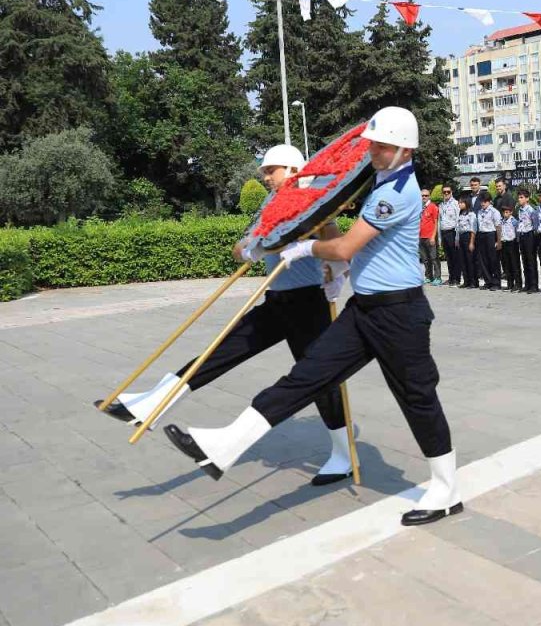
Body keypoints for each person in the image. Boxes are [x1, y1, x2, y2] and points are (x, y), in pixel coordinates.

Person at [164, 107, 462, 527]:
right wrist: (334, 265)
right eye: (372, 144)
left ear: (405, 150)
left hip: (399, 312)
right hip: (365, 309)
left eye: (381, 146)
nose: (372, 151)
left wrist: (304, 249)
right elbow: (348, 235)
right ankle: (226, 444)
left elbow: (346, 247)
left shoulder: (396, 193)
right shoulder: (381, 179)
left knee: (416, 397)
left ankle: (446, 489)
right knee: (307, 375)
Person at [99, 144, 353, 488]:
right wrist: (252, 248)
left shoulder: (317, 202)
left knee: (320, 380)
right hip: (276, 301)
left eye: (271, 170)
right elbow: (240, 248)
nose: (265, 177)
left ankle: (343, 455)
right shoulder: (270, 203)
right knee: (218, 351)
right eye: (265, 172)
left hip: (309, 304)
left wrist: (329, 263)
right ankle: (151, 405)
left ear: (294, 169)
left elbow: (337, 248)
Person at [475, 193, 502, 290]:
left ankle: (496, 282)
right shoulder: (479, 212)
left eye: (485, 201)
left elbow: (498, 227)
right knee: (483, 260)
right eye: (481, 201)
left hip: (491, 235)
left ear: (489, 201)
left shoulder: (494, 212)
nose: (483, 203)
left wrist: (499, 241)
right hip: (481, 235)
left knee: (493, 259)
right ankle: (488, 281)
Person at [438, 183, 461, 286]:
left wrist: (457, 237)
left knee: (455, 257)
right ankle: (451, 277)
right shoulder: (441, 205)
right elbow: (439, 222)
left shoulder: (455, 203)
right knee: (448, 257)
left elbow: (458, 220)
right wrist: (439, 237)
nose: (446, 193)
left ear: (451, 192)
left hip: (452, 232)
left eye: (448, 192)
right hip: (444, 232)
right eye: (444, 192)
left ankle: (456, 279)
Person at [419, 188, 441, 286]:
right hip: (421, 236)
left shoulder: (433, 207)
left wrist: (433, 236)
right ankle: (429, 276)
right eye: (422, 195)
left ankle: (438, 277)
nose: (424, 197)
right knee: (425, 259)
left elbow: (436, 223)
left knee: (434, 258)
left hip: (430, 236)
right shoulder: (420, 207)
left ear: (429, 196)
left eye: (426, 195)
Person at [455, 197, 478, 288]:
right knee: (463, 260)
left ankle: (473, 282)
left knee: (470, 260)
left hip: (468, 237)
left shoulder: (471, 214)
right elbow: (458, 228)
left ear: (467, 203)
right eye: (459, 203)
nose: (459, 204)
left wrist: (471, 242)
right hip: (461, 237)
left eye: (461, 203)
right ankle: (466, 281)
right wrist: (457, 240)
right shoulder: (460, 214)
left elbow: (473, 229)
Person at [498, 205, 519, 291]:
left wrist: (517, 242)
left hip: (512, 243)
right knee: (507, 264)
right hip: (504, 243)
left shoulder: (514, 221)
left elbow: (517, 232)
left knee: (514, 264)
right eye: (504, 212)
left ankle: (517, 284)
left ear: (511, 212)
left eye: (507, 212)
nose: (505, 214)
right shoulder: (502, 221)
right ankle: (510, 283)